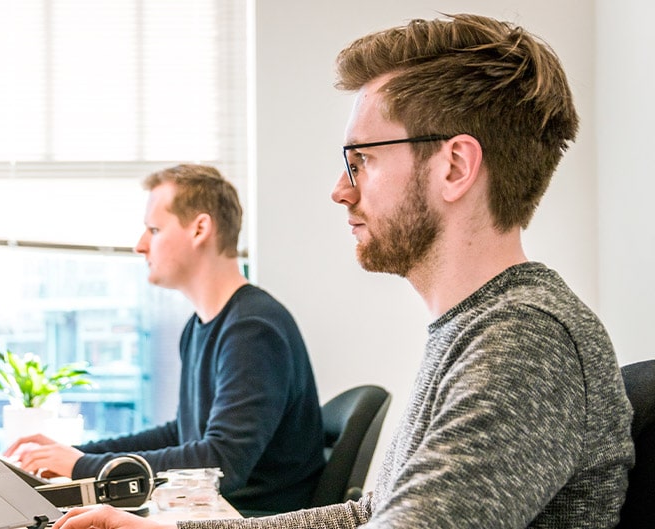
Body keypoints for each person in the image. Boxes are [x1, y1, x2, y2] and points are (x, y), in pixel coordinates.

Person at [51, 13, 634, 529]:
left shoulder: (524, 340)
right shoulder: (478, 328)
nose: (339, 190)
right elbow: (371, 511)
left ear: (454, 166)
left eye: (361, 161)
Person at [5, 164, 327, 515]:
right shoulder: (202, 325)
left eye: (154, 230)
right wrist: (78, 454)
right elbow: (183, 433)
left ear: (200, 229)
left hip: (251, 518)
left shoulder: (253, 330)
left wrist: (83, 467)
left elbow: (221, 464)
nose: (140, 246)